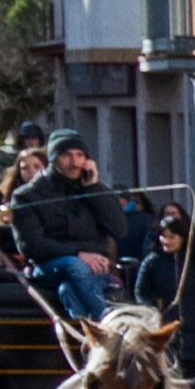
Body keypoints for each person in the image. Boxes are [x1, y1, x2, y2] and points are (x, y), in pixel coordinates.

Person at [12, 137, 129, 321]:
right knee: (75, 265)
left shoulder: (97, 189)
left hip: (96, 267)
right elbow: (31, 245)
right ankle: (109, 323)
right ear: (53, 158)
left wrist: (93, 189)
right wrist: (78, 253)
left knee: (67, 290)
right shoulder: (26, 195)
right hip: (49, 265)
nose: (74, 163)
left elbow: (119, 230)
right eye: (67, 155)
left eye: (79, 155)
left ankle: (85, 337)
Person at [128, 201, 195, 382]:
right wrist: (154, 308)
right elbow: (140, 292)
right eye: (163, 236)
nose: (166, 241)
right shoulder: (152, 261)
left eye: (171, 237)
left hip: (192, 331)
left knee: (191, 382)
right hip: (163, 331)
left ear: (182, 237)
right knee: (163, 381)